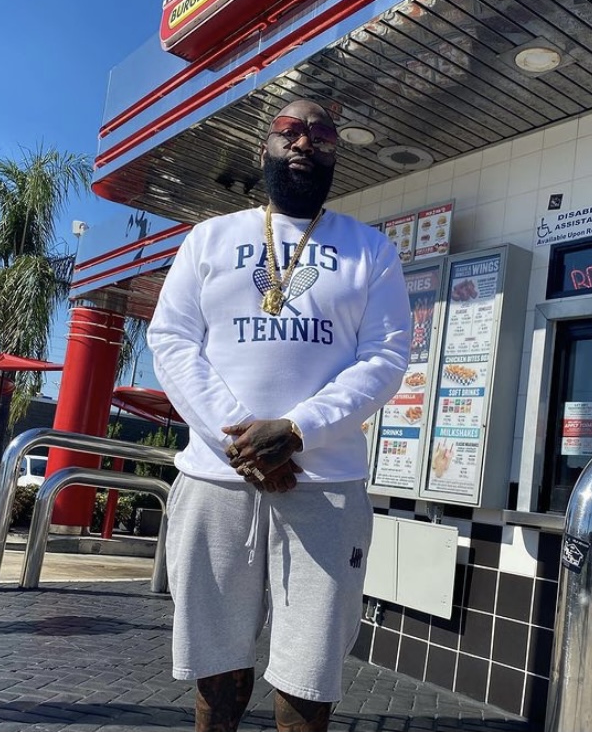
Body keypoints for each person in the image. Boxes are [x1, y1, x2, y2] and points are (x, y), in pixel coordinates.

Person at [147, 98, 411, 732]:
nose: (303, 144)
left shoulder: (370, 250)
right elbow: (173, 339)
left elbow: (386, 356)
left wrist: (296, 432)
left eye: (320, 135)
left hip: (324, 486)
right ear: (264, 146)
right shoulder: (209, 237)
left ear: (336, 155)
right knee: (216, 671)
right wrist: (242, 441)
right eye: (289, 131)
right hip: (216, 480)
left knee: (308, 675)